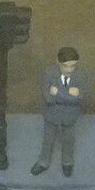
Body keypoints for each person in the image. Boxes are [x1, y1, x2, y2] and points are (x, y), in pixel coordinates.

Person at [31, 47, 86, 177]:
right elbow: (48, 98)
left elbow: (79, 98)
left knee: (68, 141)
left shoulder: (81, 76)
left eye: (73, 65)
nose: (69, 70)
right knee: (48, 140)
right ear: (58, 62)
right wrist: (69, 95)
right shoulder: (49, 73)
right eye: (65, 66)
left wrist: (58, 93)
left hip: (70, 116)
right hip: (52, 114)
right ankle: (43, 162)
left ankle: (67, 163)